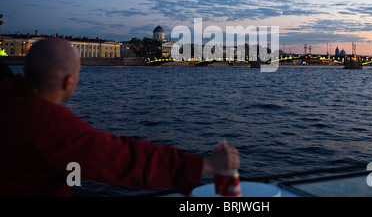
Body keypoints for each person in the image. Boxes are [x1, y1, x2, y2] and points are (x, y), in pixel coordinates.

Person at [0, 38, 239, 196]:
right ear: (69, 81)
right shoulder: (44, 123)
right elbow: (122, 159)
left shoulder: (8, 97)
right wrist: (205, 164)